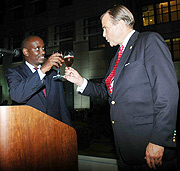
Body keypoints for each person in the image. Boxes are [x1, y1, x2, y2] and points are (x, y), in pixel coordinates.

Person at [64, 4, 179, 171]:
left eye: (105, 28)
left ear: (121, 24)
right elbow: (108, 92)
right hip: (126, 149)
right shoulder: (116, 58)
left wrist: (159, 140)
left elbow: (167, 93)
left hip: (150, 147)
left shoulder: (148, 41)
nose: (103, 34)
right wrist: (81, 81)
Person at [6, 36, 71, 126]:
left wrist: (68, 130)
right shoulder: (14, 73)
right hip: (30, 131)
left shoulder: (53, 74)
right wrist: (41, 71)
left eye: (43, 48)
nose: (43, 52)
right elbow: (17, 96)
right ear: (26, 52)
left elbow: (62, 107)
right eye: (37, 49)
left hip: (55, 130)